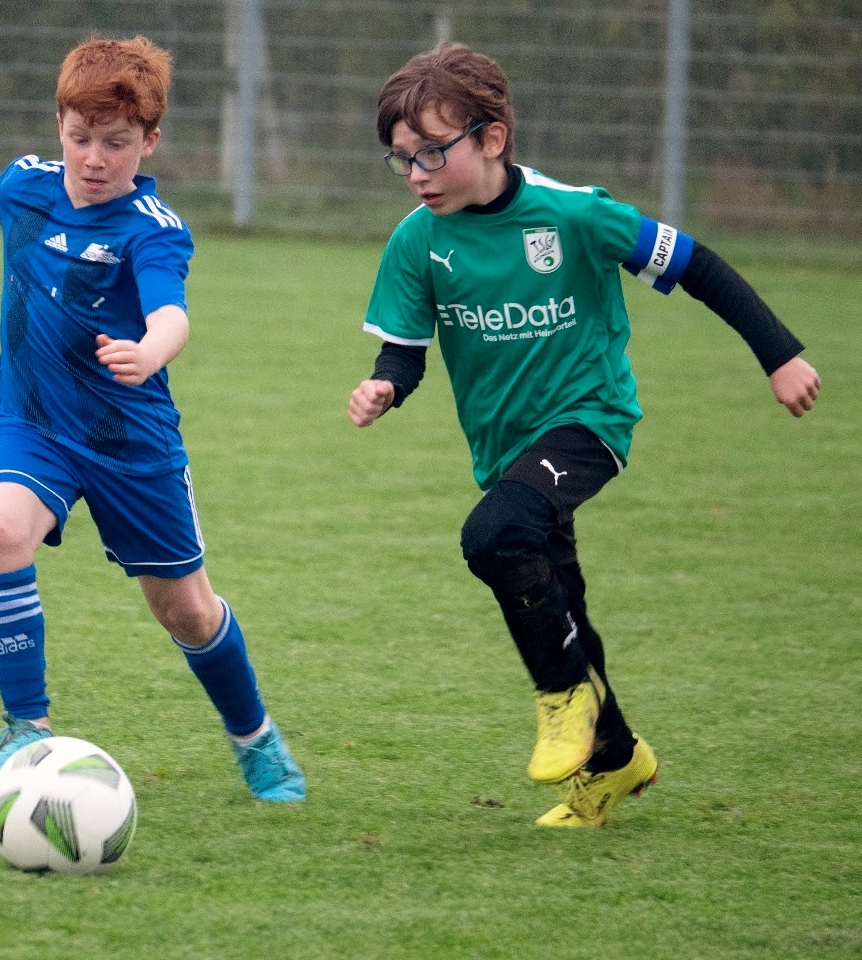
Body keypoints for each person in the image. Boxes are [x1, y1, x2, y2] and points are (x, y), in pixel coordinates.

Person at [348, 43, 819, 827]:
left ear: (491, 139)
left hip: (588, 421)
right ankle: (615, 758)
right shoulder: (416, 242)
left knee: (494, 536)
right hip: (505, 448)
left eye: (431, 151)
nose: (416, 173)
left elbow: (698, 266)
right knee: (556, 597)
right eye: (401, 158)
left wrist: (780, 355)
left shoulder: (573, 215)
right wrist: (384, 386)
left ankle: (563, 698)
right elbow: (405, 351)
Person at [0, 35, 305, 803]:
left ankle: (255, 738)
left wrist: (150, 349)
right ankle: (26, 728)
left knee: (186, 610)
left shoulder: (152, 227)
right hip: (33, 424)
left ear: (150, 141)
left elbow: (172, 313)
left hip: (130, 443)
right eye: (80, 138)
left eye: (115, 143)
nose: (94, 159)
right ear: (60, 127)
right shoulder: (31, 183)